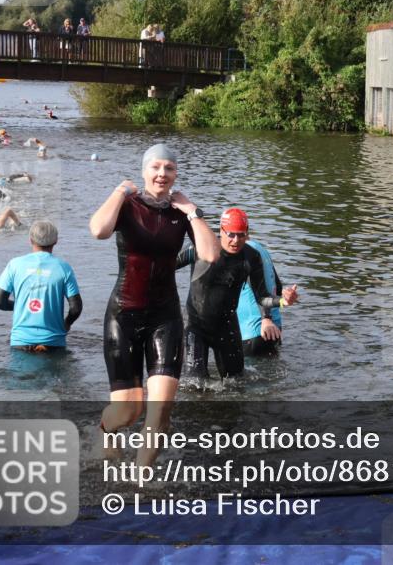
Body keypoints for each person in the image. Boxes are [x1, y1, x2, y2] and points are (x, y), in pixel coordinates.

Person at [89, 143, 218, 466]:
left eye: (169, 169)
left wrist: (192, 211)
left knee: (160, 409)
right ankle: (106, 429)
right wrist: (119, 193)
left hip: (165, 316)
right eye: (156, 167)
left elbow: (211, 254)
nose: (162, 174)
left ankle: (141, 477)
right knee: (128, 412)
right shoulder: (128, 205)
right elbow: (98, 231)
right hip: (124, 314)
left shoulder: (180, 211)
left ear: (176, 173)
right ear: (145, 170)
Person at [176, 208, 289, 380]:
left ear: (247, 233)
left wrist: (282, 301)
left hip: (226, 326)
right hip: (195, 326)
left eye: (241, 235)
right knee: (194, 384)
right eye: (231, 234)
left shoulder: (251, 256)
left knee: (237, 382)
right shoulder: (199, 247)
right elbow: (165, 266)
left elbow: (262, 297)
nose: (236, 240)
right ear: (221, 231)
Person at [0, 220, 82, 352]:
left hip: (20, 342)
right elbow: (76, 308)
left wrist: (20, 305)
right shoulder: (64, 268)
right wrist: (67, 323)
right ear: (56, 241)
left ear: (30, 240)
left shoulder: (15, 265)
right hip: (53, 342)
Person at [235, 222, 299, 356]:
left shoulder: (242, 253)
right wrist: (285, 297)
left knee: (243, 376)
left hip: (253, 331)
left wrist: (266, 318)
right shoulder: (261, 249)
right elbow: (277, 287)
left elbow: (259, 291)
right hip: (275, 330)